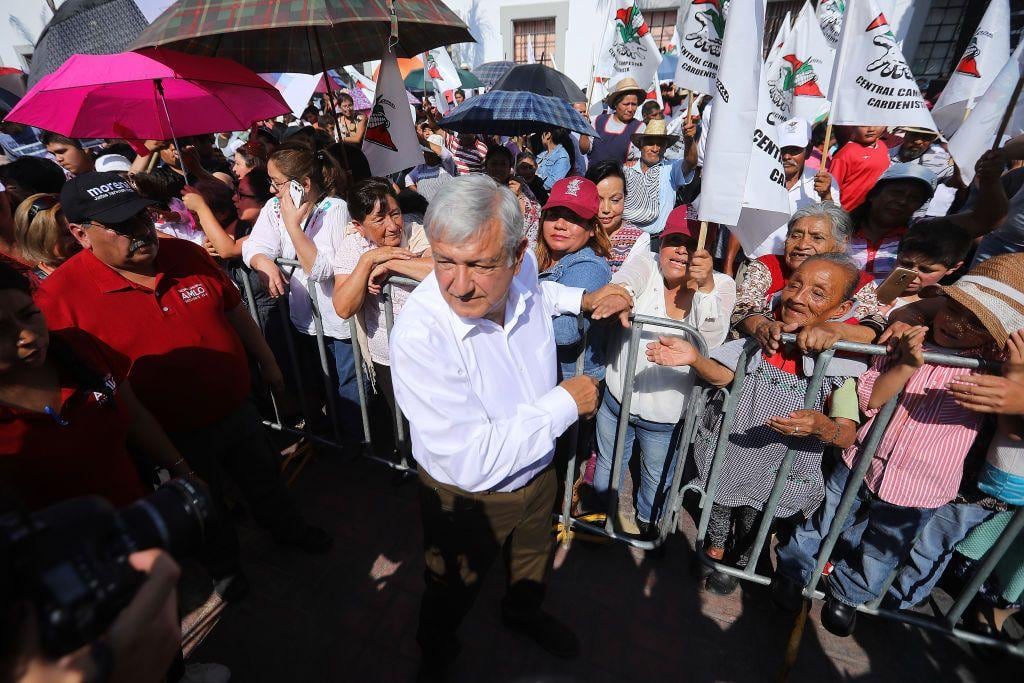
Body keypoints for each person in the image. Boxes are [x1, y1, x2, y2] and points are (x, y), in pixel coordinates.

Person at [34, 172, 332, 593]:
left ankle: (288, 529)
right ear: (81, 235)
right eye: (122, 226)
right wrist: (173, 462)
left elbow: (233, 310)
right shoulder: (60, 300)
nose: (141, 232)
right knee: (201, 506)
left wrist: (268, 362)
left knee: (265, 479)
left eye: (141, 217)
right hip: (169, 437)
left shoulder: (186, 254)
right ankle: (225, 569)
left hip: (238, 408)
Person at [389, 174, 631, 678]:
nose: (458, 284)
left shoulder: (521, 276)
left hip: (537, 470)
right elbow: (470, 461)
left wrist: (582, 301)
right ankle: (434, 651)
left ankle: (522, 614)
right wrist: (566, 402)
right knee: (451, 587)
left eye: (479, 264)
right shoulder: (420, 334)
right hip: (466, 499)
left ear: (519, 254)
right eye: (444, 261)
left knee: (532, 560)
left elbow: (538, 296)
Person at [772, 254, 1021, 637]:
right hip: (863, 462)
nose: (957, 324)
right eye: (954, 309)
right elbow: (871, 399)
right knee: (824, 523)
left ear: (996, 336)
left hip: (923, 484)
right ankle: (792, 572)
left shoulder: (995, 364)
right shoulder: (908, 339)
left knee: (881, 551)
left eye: (977, 323)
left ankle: (848, 595)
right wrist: (905, 363)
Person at [648, 254, 865, 595]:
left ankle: (738, 562)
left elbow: (846, 431)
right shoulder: (764, 338)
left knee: (758, 515)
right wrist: (695, 360)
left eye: (818, 293)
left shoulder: (841, 366)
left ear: (841, 308)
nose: (798, 297)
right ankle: (715, 550)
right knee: (718, 502)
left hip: (778, 468)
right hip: (731, 451)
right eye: (795, 284)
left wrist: (822, 426)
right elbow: (726, 376)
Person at [0, 262, 193, 509]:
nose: (27, 336)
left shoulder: (80, 348)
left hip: (145, 516)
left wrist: (184, 473)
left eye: (29, 314)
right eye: (2, 329)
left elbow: (135, 418)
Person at [593, 207, 736, 537]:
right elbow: (625, 283)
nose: (682, 250)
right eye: (674, 240)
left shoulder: (723, 285)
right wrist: (618, 296)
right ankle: (597, 521)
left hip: (667, 416)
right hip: (617, 402)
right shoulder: (647, 261)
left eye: (691, 243)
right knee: (607, 461)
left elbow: (712, 340)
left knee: (657, 474)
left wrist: (705, 287)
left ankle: (647, 523)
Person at [241, 144, 360, 440]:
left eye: (277, 183)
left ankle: (357, 441)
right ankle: (330, 434)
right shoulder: (273, 208)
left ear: (303, 184)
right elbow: (254, 245)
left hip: (337, 319)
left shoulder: (335, 209)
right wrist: (264, 263)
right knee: (317, 379)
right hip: (302, 318)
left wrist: (293, 226)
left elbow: (321, 269)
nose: (271, 189)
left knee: (347, 383)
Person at [331, 179, 431, 430]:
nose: (392, 226)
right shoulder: (354, 245)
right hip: (386, 356)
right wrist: (369, 260)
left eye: (395, 214)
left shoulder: (416, 231)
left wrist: (389, 264)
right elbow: (343, 306)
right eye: (379, 219)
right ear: (358, 225)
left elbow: (440, 270)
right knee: (404, 427)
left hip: (431, 352)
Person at [733, 202, 883, 348]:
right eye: (795, 235)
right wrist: (762, 326)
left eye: (817, 237)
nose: (802, 245)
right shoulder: (769, 266)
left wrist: (836, 330)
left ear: (841, 244)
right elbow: (743, 304)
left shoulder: (858, 281)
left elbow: (873, 326)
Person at [724, 117, 840, 270]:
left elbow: (836, 226)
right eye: (783, 149)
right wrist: (728, 264)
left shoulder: (823, 181)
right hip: (754, 265)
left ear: (808, 151)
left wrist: (826, 196)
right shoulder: (757, 177)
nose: (787, 156)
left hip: (802, 270)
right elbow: (742, 224)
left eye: (794, 150)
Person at [536, 177, 612, 380]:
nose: (560, 224)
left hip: (569, 382)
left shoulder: (590, 266)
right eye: (554, 215)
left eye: (574, 218)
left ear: (593, 228)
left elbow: (565, 331)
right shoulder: (533, 257)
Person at [847, 163, 936, 284]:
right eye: (896, 192)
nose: (903, 201)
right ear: (874, 194)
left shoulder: (917, 242)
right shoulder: (840, 231)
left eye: (914, 198)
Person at [621, 119, 696, 235]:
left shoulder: (671, 168)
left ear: (665, 148)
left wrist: (689, 140)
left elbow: (691, 162)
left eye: (660, 144)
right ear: (641, 145)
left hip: (655, 241)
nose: (655, 149)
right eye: (650, 143)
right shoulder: (625, 170)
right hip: (624, 240)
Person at [880, 219, 971, 314]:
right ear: (898, 254)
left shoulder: (943, 309)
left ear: (954, 267)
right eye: (905, 264)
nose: (912, 275)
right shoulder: (869, 285)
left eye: (926, 270)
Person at [585, 160, 649, 273]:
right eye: (598, 200)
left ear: (625, 198)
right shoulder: (578, 232)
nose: (606, 209)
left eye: (615, 200)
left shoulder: (639, 240)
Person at [888, 126, 961, 217]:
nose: (918, 142)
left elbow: (954, 182)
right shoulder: (885, 156)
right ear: (906, 134)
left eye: (926, 138)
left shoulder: (940, 162)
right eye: (915, 135)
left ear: (932, 140)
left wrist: (959, 164)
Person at [12, 194, 80, 283]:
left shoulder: (99, 262)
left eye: (81, 228)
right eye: (67, 234)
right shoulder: (31, 289)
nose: (80, 239)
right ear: (38, 240)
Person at [582, 78, 645, 165]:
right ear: (616, 104)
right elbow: (584, 149)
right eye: (626, 104)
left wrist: (634, 163)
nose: (630, 109)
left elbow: (640, 159)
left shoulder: (640, 127)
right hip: (593, 176)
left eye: (634, 104)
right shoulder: (598, 121)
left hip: (620, 177)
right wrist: (583, 129)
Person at [827, 125, 890, 212]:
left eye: (876, 124)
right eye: (864, 125)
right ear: (854, 127)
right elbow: (832, 188)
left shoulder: (883, 147)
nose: (871, 129)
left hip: (871, 212)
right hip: (847, 213)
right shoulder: (846, 153)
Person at [405, 137, 454, 202]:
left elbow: (446, 155)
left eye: (430, 153)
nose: (426, 155)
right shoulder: (421, 167)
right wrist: (419, 194)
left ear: (437, 155)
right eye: (425, 152)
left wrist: (424, 142)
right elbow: (408, 179)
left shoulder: (446, 167)